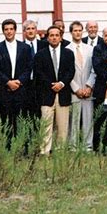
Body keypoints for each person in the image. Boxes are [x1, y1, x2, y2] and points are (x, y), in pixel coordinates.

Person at [0, 19, 33, 148]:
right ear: (3, 31)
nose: (9, 32)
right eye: (6, 29)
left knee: (21, 119)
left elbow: (29, 67)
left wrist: (19, 81)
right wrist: (8, 82)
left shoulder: (25, 48)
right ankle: (8, 148)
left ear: (15, 30)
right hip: (5, 90)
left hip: (21, 90)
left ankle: (22, 147)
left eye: (11, 29)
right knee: (6, 121)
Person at [34, 25, 75, 155]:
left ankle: (60, 150)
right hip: (47, 93)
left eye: (57, 35)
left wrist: (61, 84)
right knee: (46, 124)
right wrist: (52, 85)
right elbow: (38, 73)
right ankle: (45, 150)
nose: (54, 38)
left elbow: (71, 71)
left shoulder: (68, 53)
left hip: (63, 93)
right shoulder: (40, 54)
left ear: (61, 37)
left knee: (62, 125)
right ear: (47, 38)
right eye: (51, 35)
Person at [67, 21, 96, 150]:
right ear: (71, 32)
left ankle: (87, 146)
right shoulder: (66, 49)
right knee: (73, 120)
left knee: (88, 119)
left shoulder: (90, 49)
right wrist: (76, 89)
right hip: (75, 90)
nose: (77, 33)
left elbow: (94, 69)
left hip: (88, 89)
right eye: (75, 31)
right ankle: (73, 146)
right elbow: (65, 72)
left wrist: (89, 86)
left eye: (80, 30)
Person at [22, 19, 48, 119]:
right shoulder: (20, 47)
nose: (31, 31)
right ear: (24, 31)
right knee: (27, 116)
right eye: (28, 29)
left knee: (41, 116)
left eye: (33, 28)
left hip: (42, 85)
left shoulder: (44, 45)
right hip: (26, 86)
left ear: (36, 30)